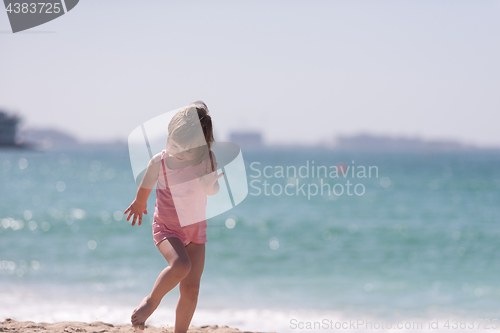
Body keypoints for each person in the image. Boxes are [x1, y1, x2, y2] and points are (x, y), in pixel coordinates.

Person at [123, 101, 224, 332]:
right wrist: (139, 204)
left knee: (191, 289)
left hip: (196, 232)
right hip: (167, 228)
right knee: (180, 265)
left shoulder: (206, 159)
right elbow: (145, 188)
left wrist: (209, 185)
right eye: (175, 144)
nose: (179, 152)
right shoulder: (159, 162)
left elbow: (212, 189)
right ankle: (151, 301)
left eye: (187, 150)